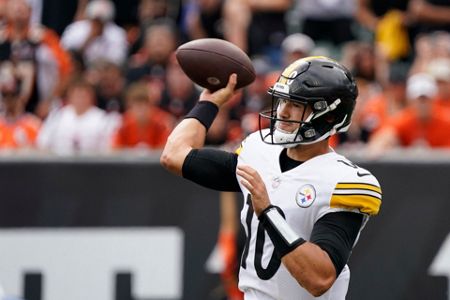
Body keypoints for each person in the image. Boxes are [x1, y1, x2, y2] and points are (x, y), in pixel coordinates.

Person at [161, 56, 382, 299]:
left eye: (296, 104)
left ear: (328, 116)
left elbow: (319, 279)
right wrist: (208, 103)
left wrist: (268, 212)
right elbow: (174, 155)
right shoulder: (259, 151)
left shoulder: (342, 180)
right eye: (283, 100)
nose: (283, 112)